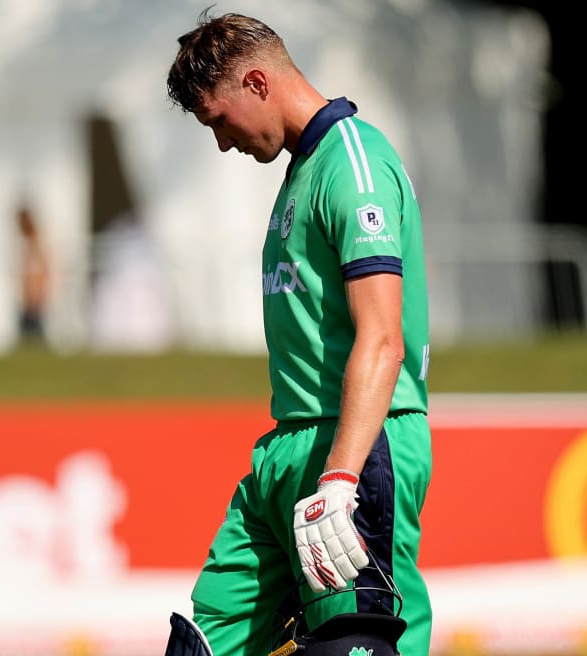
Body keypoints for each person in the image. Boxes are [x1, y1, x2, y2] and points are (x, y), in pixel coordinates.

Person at [165, 11, 432, 656]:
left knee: (355, 643)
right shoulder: (303, 171)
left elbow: (382, 339)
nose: (223, 144)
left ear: (257, 82)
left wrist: (340, 480)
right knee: (201, 645)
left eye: (218, 121)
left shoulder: (353, 163)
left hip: (356, 444)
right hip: (285, 449)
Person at [14, 202, 51, 340]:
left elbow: (43, 269)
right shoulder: (28, 243)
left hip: (34, 299)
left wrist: (38, 292)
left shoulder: (36, 243)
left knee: (33, 335)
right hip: (29, 298)